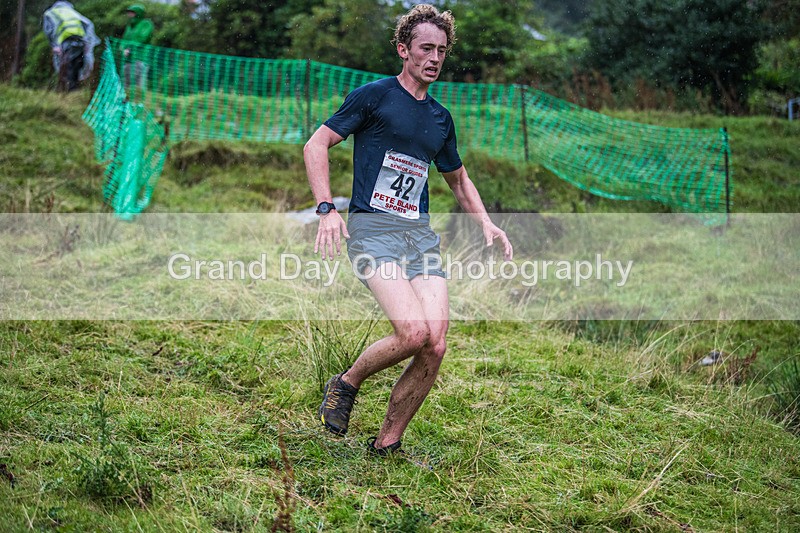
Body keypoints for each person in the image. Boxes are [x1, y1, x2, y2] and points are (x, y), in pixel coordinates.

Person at [304, 4, 513, 455]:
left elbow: (457, 177)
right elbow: (316, 143)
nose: (434, 58)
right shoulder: (374, 97)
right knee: (413, 332)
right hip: (372, 230)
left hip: (418, 235)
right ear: (403, 49)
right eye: (425, 48)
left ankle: (387, 444)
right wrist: (326, 208)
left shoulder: (440, 119)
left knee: (435, 343)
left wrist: (486, 223)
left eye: (441, 50)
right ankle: (346, 382)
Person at [42, 1, 100, 92]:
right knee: (76, 62)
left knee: (67, 64)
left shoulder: (50, 13)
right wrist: (88, 41)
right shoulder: (71, 11)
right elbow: (88, 23)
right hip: (80, 38)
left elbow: (48, 31)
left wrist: (54, 45)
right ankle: (73, 87)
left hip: (66, 39)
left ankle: (68, 89)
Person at [121, 4, 154, 93]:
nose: (129, 15)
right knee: (126, 85)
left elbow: (143, 38)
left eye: (132, 12)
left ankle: (138, 103)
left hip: (141, 58)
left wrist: (129, 48)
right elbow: (124, 40)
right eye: (129, 12)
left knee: (138, 85)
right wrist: (123, 48)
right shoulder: (129, 26)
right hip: (127, 59)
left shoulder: (146, 24)